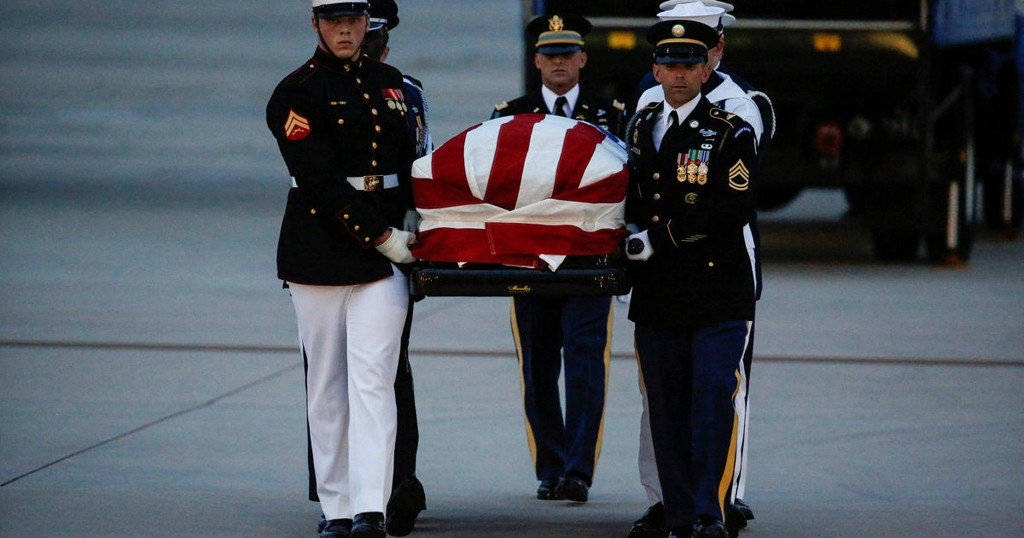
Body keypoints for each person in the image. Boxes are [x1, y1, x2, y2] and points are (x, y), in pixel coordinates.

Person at [265, 2, 417, 537]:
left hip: (386, 252)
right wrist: (383, 237)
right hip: (321, 248)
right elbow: (319, 181)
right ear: (316, 24)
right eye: (334, 21)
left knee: (374, 380)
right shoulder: (294, 93)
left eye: (354, 20)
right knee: (327, 386)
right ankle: (337, 508)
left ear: (366, 22)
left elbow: (409, 161)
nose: (346, 30)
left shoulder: (391, 82)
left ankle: (371, 508)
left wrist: (419, 218)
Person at [629, 4, 771, 535]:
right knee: (665, 409)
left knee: (712, 399)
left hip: (717, 289)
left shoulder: (732, 128)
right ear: (656, 69)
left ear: (707, 67)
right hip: (659, 292)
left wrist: (656, 238)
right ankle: (678, 515)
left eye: (690, 63)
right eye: (670, 64)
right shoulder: (641, 125)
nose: (680, 74)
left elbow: (731, 207)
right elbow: (628, 194)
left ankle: (712, 512)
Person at [490, 13, 627, 503]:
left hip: (589, 259)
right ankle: (550, 467)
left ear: (583, 58)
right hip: (529, 259)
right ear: (536, 61)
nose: (559, 63)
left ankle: (577, 471)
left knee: (586, 365)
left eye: (567, 54)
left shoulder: (611, 114)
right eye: (550, 55)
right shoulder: (509, 115)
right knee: (538, 366)